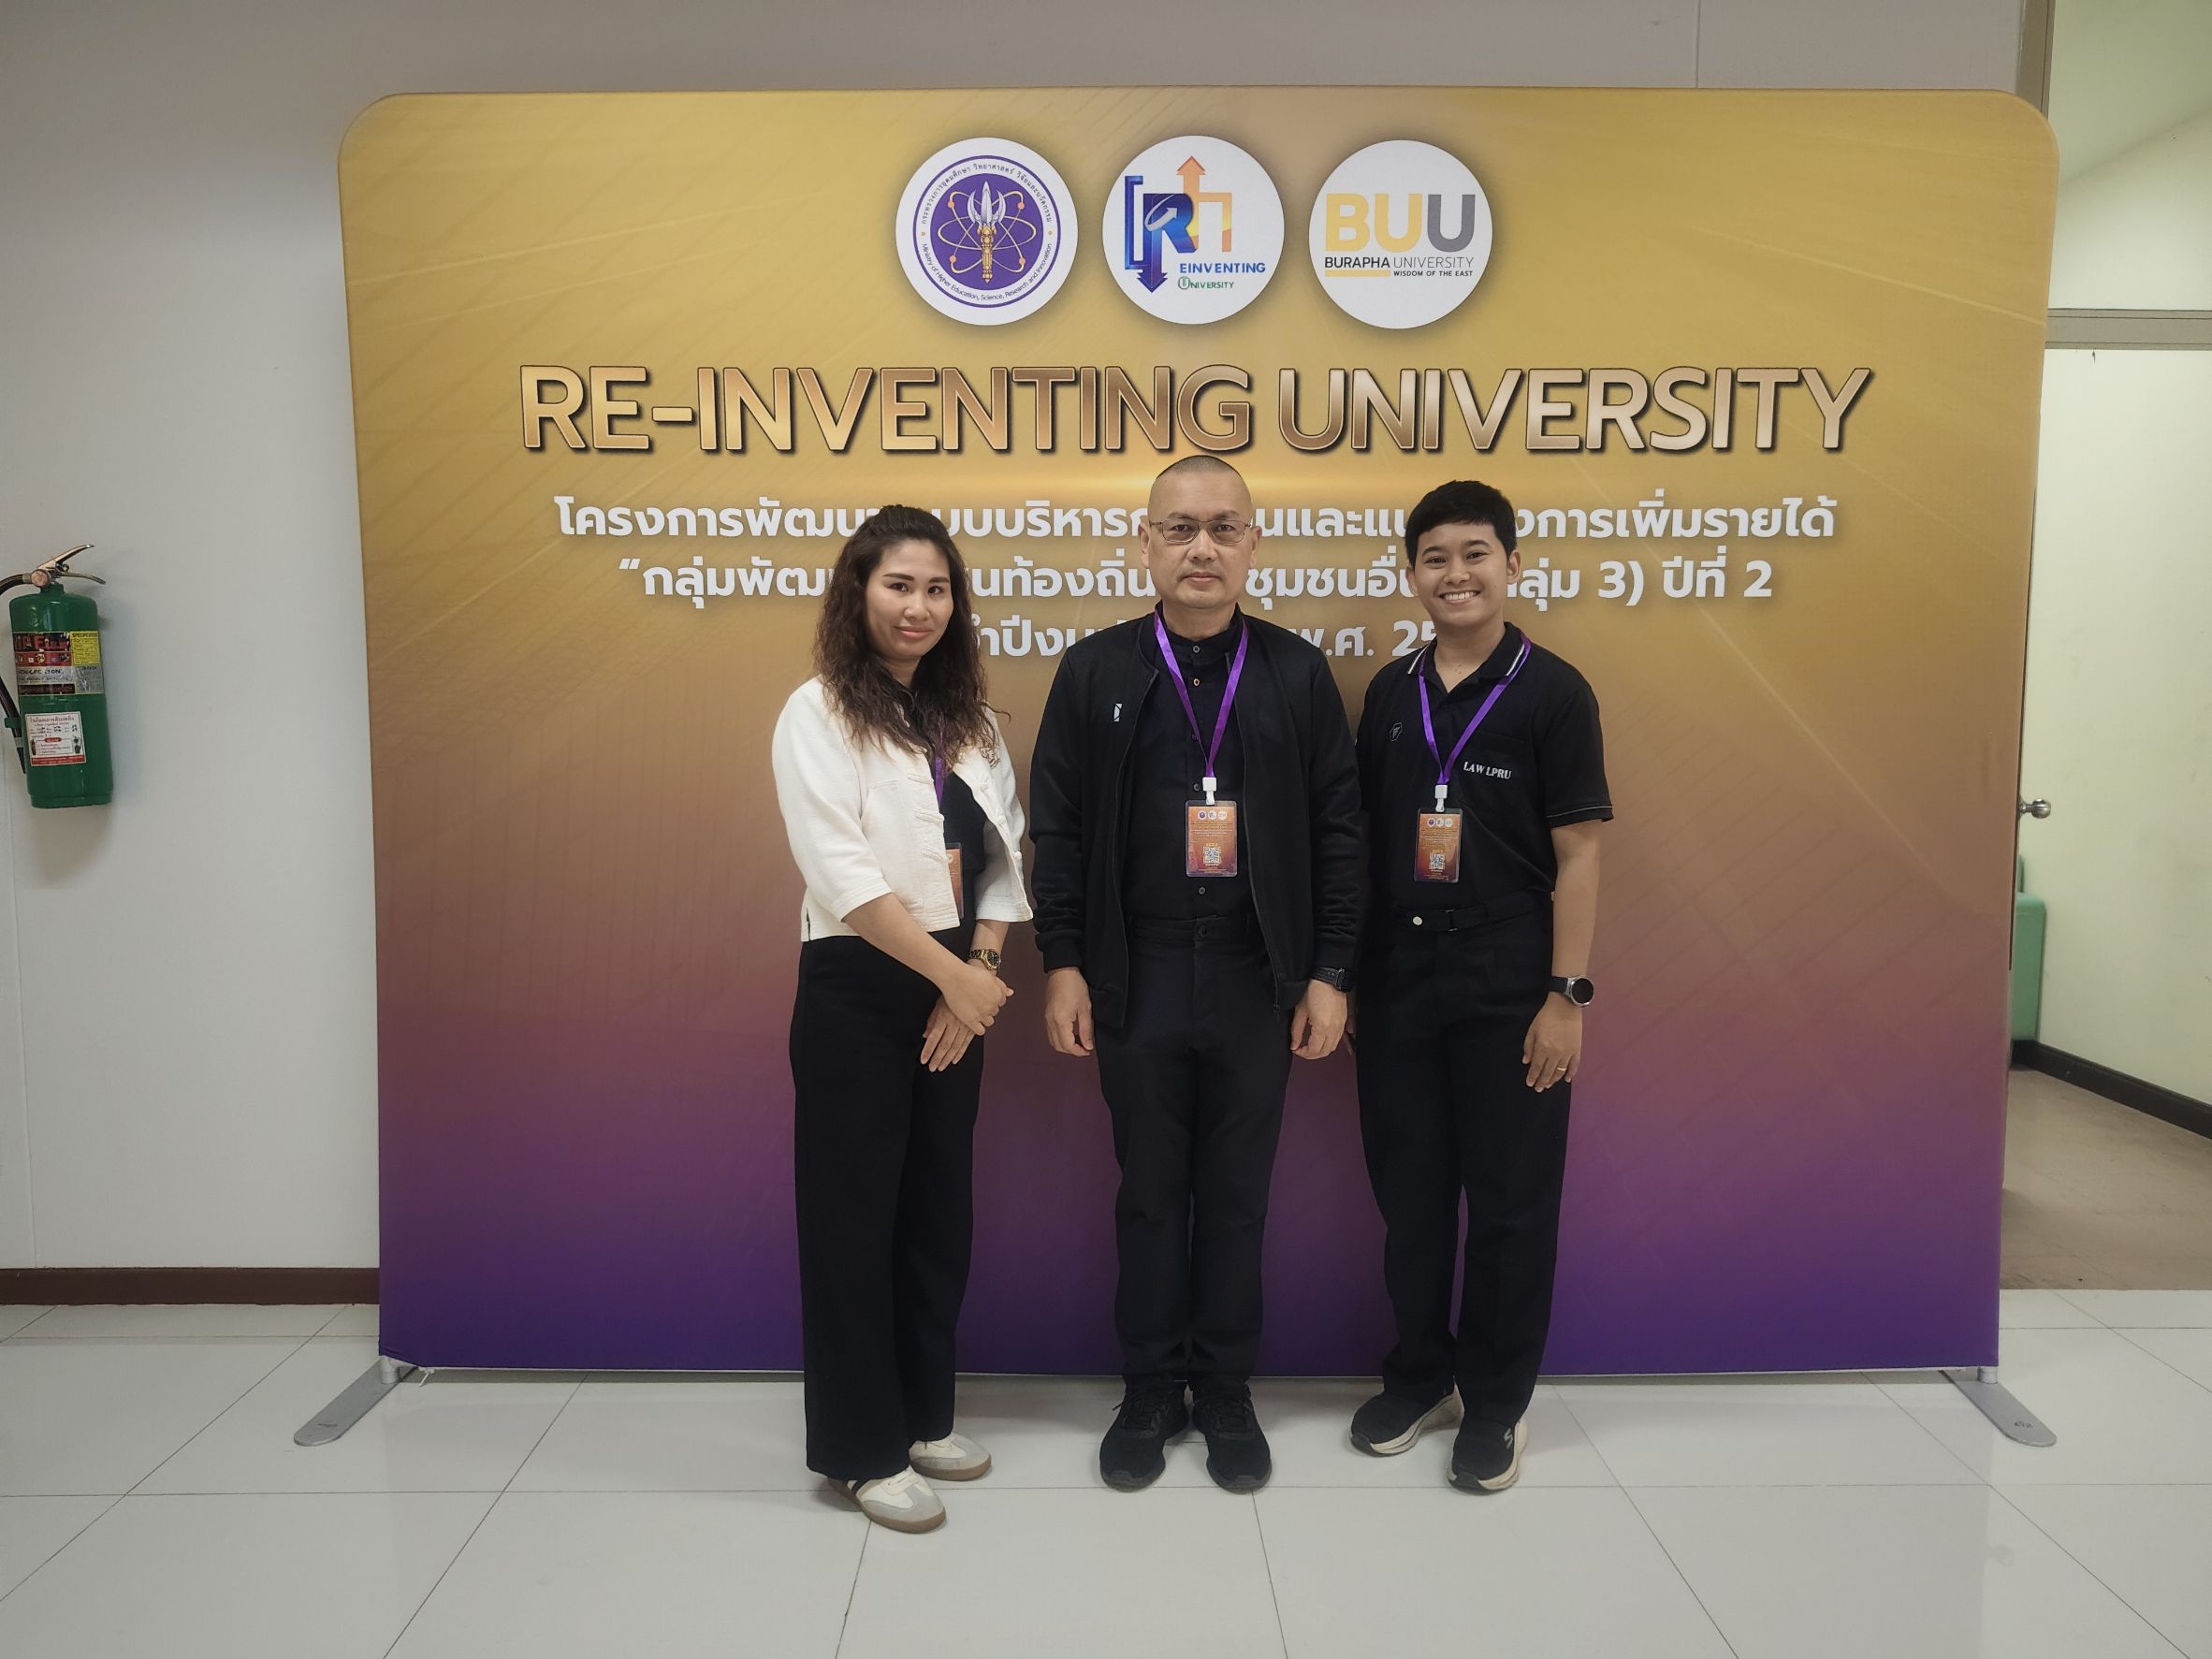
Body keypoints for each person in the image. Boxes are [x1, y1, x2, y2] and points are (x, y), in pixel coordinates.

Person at [1030, 455, 1361, 1494]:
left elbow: (1340, 832)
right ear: (1145, 543)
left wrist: (1330, 969)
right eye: (1180, 528)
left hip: (1259, 978)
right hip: (1137, 975)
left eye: (1223, 527)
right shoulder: (1094, 671)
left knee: (1235, 1197)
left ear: (1254, 543)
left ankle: (1222, 1388)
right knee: (1148, 1195)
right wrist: (1065, 962)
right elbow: (1058, 830)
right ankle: (1147, 1388)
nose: (1202, 548)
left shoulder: (1297, 674)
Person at [770, 505, 1030, 1534]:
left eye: (936, 589)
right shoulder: (818, 711)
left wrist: (980, 970)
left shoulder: (969, 720)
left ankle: (923, 1419)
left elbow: (1006, 856)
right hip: (859, 985)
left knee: (935, 1212)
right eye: (898, 586)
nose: (919, 607)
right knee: (853, 1224)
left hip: (956, 985)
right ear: (858, 593)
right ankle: (859, 1450)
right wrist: (952, 978)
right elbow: (840, 873)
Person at [1347, 479, 1610, 1493]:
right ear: (1411, 574)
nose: (1455, 575)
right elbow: (1366, 849)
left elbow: (1579, 856)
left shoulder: (1555, 693)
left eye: (1475, 554)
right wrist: (1350, 979)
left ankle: (1496, 1401)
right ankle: (1421, 1376)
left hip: (1511, 978)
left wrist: (1566, 996)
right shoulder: (1391, 692)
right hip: (1400, 978)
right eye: (1435, 558)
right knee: (1411, 1199)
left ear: (1512, 564)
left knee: (1509, 1206)